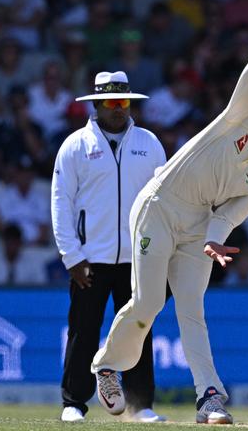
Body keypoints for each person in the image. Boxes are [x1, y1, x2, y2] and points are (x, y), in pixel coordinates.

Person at [90, 34, 248, 424]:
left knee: (192, 309)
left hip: (199, 223)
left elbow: (232, 212)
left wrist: (215, 238)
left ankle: (209, 399)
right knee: (148, 303)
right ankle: (107, 367)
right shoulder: (247, 114)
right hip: (159, 205)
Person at [51, 71, 167, 423]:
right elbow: (61, 203)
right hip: (90, 258)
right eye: (112, 103)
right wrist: (72, 256)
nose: (119, 109)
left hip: (138, 257)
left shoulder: (149, 143)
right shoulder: (75, 146)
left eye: (124, 102)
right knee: (83, 330)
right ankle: (73, 402)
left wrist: (161, 251)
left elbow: (163, 200)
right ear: (97, 105)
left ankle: (141, 404)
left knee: (138, 331)